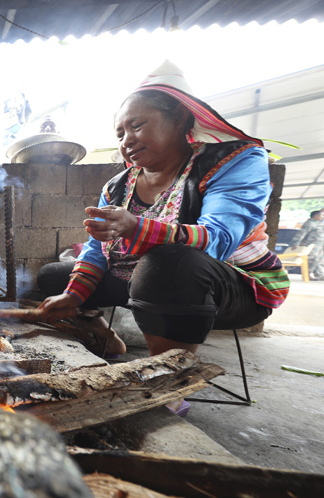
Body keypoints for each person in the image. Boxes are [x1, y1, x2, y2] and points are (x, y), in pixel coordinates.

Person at [36, 61, 290, 417]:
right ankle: (102, 334)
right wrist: (74, 295)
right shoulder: (118, 185)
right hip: (141, 280)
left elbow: (219, 240)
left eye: (137, 125)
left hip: (233, 287)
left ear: (180, 120)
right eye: (120, 133)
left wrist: (135, 227)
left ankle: (166, 378)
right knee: (53, 276)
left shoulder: (234, 160)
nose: (127, 141)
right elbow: (97, 246)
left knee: (168, 262)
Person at [289, 209, 324, 280]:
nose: (322, 217)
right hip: (310, 245)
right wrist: (296, 243)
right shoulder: (309, 223)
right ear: (316, 215)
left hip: (319, 245)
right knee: (312, 259)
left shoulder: (319, 223)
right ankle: (307, 274)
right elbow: (301, 234)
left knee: (320, 260)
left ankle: (320, 275)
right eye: (321, 215)